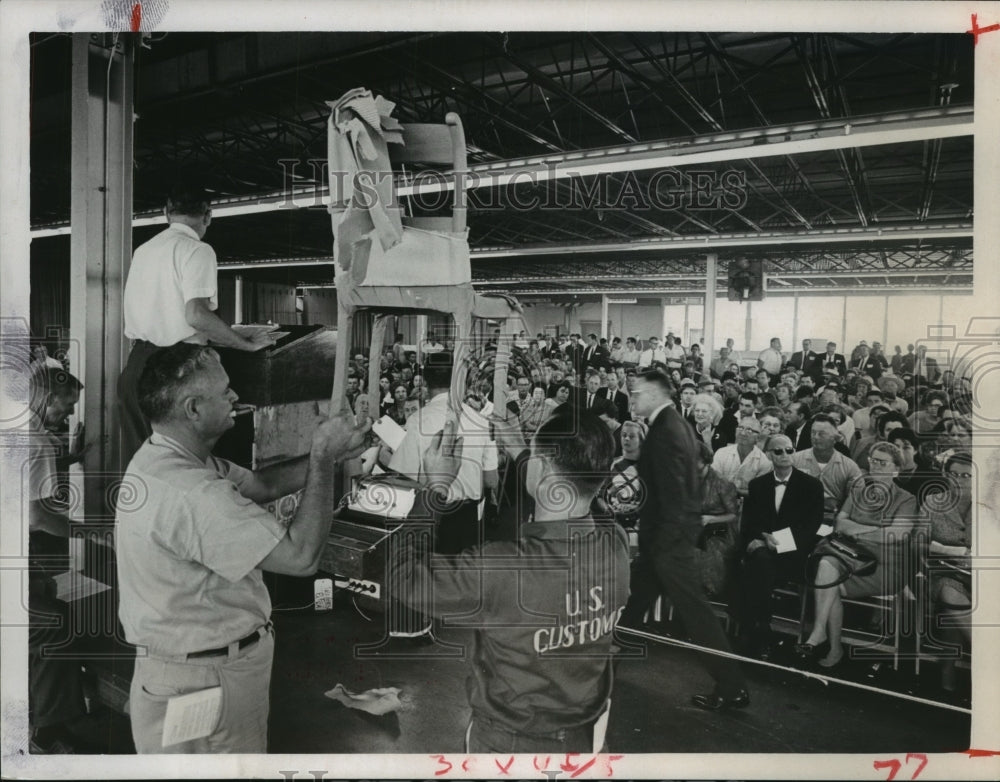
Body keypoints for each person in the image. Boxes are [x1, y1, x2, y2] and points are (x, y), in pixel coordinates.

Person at [115, 344, 369, 753]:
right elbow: (302, 558)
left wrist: (332, 454)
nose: (235, 397)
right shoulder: (194, 494)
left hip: (177, 669)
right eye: (225, 391)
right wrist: (322, 456)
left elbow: (264, 485)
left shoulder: (164, 458)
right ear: (193, 409)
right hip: (207, 678)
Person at [389, 410, 630, 752]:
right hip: (586, 743)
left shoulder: (503, 566)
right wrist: (523, 449)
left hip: (510, 748)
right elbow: (578, 499)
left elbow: (404, 577)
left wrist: (434, 487)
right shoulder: (616, 543)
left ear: (543, 467)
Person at [118, 184, 274, 466]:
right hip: (174, 374)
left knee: (141, 466)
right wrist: (246, 344)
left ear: (167, 213)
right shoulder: (197, 250)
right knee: (179, 467)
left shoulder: (144, 250)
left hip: (137, 367)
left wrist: (229, 333)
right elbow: (195, 316)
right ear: (208, 215)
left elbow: (168, 316)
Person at [620, 370, 749, 710]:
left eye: (637, 394)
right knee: (634, 606)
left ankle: (732, 685)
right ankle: (605, 665)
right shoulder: (672, 424)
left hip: (668, 543)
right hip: (663, 541)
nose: (632, 399)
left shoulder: (667, 430)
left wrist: (666, 544)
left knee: (696, 615)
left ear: (655, 394)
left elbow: (678, 495)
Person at [796, 442, 922, 669]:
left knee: (827, 582)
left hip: (886, 564)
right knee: (826, 567)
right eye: (873, 460)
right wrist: (870, 530)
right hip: (849, 555)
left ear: (895, 469)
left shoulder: (906, 499)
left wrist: (856, 529)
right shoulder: (858, 489)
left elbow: (896, 535)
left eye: (882, 462)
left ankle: (829, 643)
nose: (875, 466)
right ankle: (820, 634)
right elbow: (839, 523)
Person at [25, 367, 98, 753]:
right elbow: (37, 516)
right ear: (50, 400)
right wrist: (93, 533)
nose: (68, 416)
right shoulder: (35, 442)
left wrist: (69, 458)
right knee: (53, 628)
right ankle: (46, 733)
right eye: (67, 408)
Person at [389, 351, 498, 556]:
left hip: (432, 513)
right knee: (464, 581)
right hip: (469, 517)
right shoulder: (481, 421)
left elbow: (406, 476)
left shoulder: (418, 420)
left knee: (429, 579)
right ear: (461, 381)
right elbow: (491, 480)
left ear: (426, 382)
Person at [732, 434, 824, 659]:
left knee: (758, 564)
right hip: (762, 552)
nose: (785, 455)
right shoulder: (758, 485)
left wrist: (775, 542)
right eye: (778, 451)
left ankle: (752, 625)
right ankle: (761, 627)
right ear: (769, 455)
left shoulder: (811, 486)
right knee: (757, 561)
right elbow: (750, 525)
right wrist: (762, 537)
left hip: (794, 555)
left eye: (789, 450)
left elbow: (810, 527)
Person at [922, 451, 973, 694]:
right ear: (945, 475)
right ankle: (987, 656)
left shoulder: (988, 508)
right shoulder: (932, 503)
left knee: (955, 608)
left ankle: (947, 669)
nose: (959, 480)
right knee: (951, 594)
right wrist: (952, 550)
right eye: (954, 474)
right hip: (940, 572)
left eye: (966, 475)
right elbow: (916, 542)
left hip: (981, 576)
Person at [792, 413, 863, 525]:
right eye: (813, 432)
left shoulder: (850, 467)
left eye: (821, 434)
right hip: (798, 516)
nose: (815, 437)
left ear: (834, 438)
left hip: (832, 520)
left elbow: (856, 498)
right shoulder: (795, 460)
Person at [711, 416, 772, 497]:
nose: (743, 433)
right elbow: (713, 482)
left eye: (749, 430)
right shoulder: (721, 453)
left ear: (758, 437)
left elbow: (758, 492)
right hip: (720, 500)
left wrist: (734, 491)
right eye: (740, 428)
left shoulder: (764, 462)